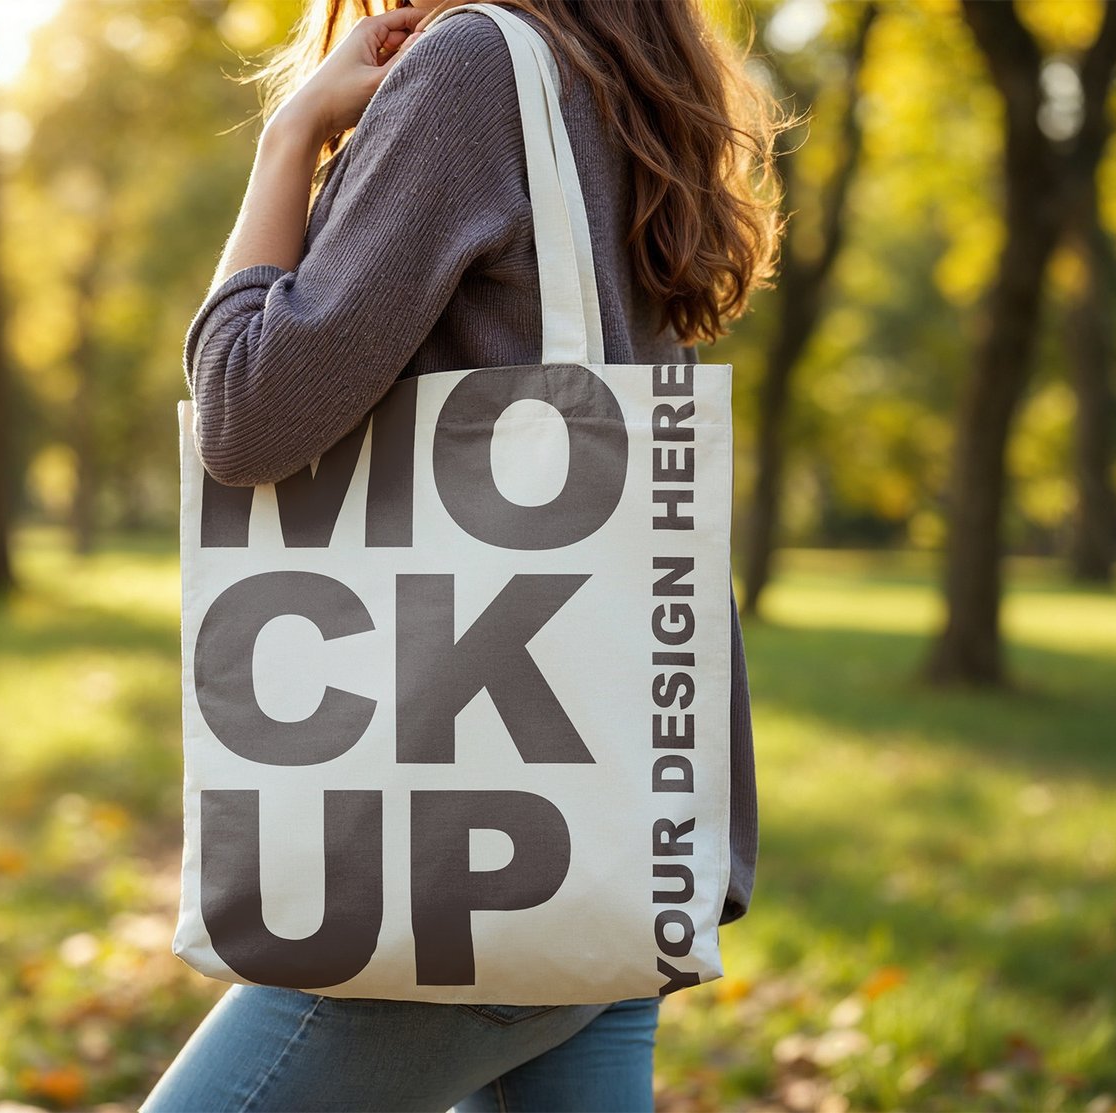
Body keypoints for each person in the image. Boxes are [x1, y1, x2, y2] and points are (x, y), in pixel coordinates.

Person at [145, 1, 786, 1109]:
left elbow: (245, 417)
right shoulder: (634, 87)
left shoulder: (473, 69)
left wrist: (289, 133)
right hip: (601, 839)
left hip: (455, 866)